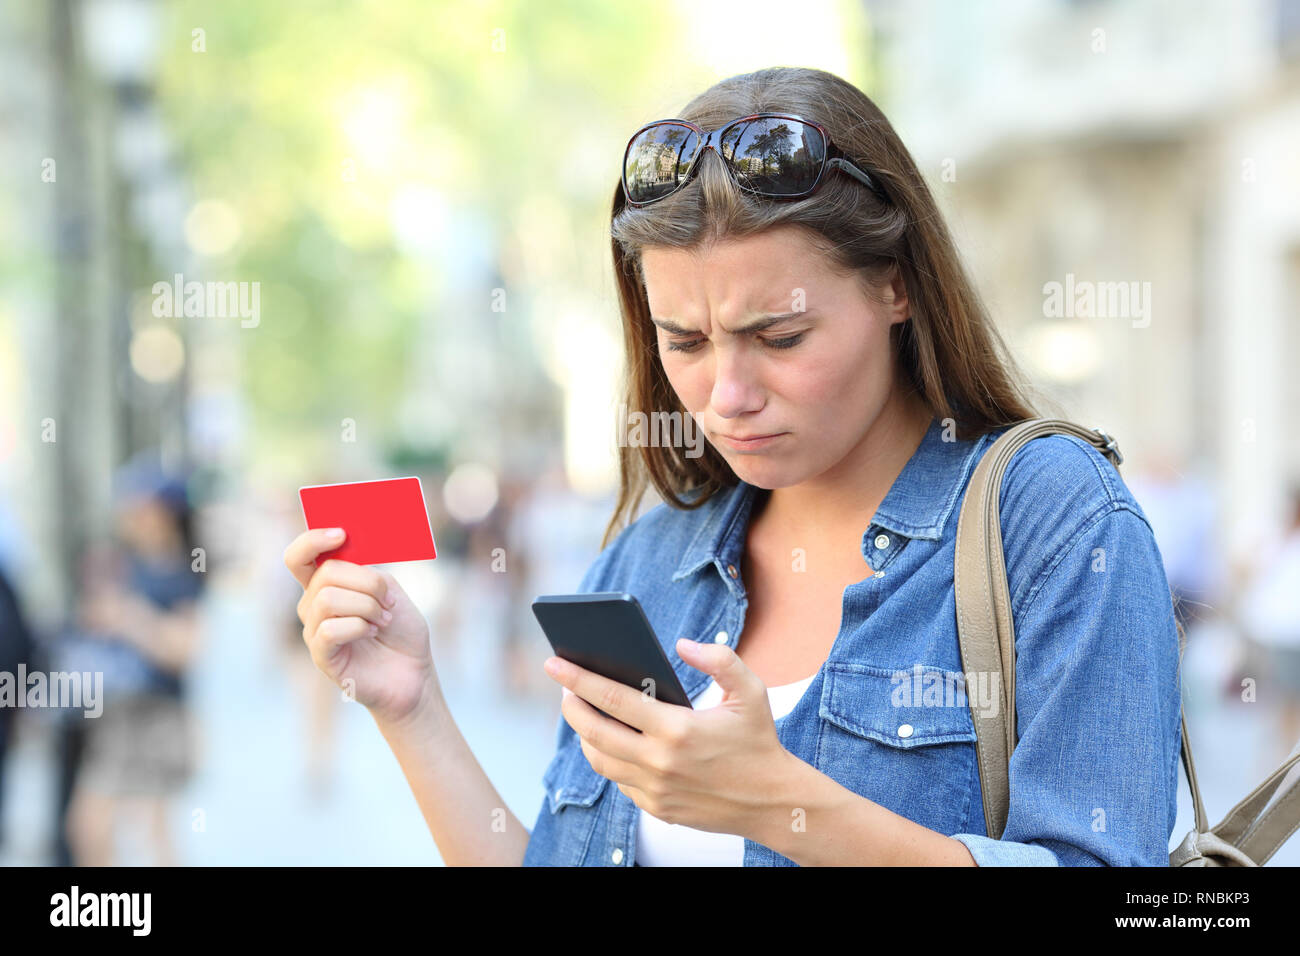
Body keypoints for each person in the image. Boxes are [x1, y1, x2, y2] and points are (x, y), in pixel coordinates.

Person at [283, 66, 1183, 866]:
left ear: (897, 285)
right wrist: (412, 707)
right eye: (686, 341)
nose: (726, 395)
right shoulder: (650, 560)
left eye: (779, 336)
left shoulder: (1052, 520)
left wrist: (784, 807)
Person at [63, 456, 204, 866]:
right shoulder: (127, 564)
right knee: (128, 829)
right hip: (120, 714)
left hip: (154, 715)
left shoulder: (178, 572)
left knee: (114, 827)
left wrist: (128, 617)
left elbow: (185, 649)